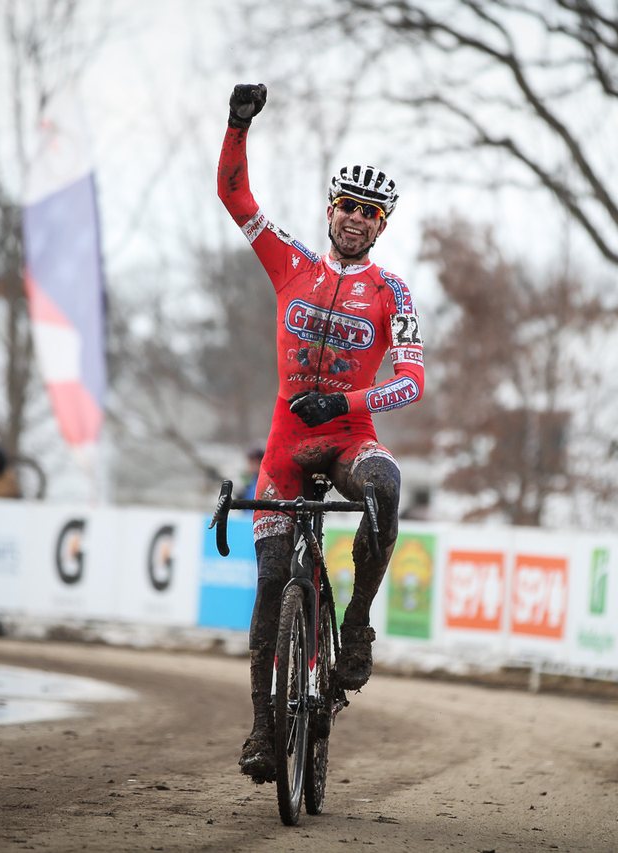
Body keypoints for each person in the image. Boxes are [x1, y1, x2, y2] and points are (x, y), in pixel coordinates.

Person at [219, 83, 425, 783]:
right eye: (347, 207)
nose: (356, 220)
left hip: (347, 440)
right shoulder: (291, 263)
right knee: (271, 584)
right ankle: (260, 730)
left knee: (387, 484)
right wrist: (237, 126)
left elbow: (413, 380)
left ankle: (358, 622)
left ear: (381, 225)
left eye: (370, 214)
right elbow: (235, 197)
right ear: (329, 209)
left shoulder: (393, 292)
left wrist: (345, 398)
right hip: (283, 451)